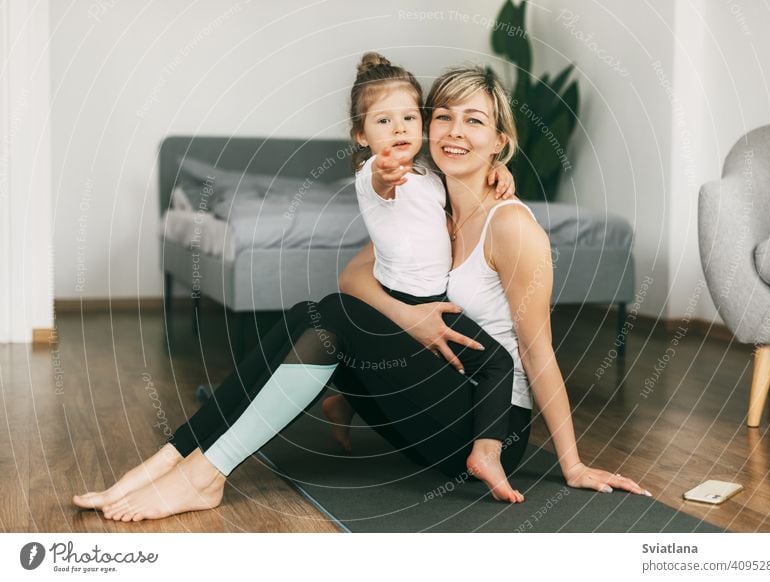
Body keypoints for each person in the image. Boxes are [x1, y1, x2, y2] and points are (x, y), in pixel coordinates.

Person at [73, 62, 650, 523]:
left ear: (500, 140)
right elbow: (352, 276)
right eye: (443, 117)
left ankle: (206, 475)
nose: (455, 132)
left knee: (332, 320)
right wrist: (412, 318)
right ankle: (169, 459)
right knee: (317, 313)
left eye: (475, 122)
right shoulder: (430, 207)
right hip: (431, 395)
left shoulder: (512, 228)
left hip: (487, 426)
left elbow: (538, 351)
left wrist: (571, 464)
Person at [321, 52, 524, 502]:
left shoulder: (429, 175)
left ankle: (344, 400)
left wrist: (497, 166)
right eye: (383, 121)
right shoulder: (376, 175)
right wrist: (382, 171)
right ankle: (487, 454)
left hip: (430, 297)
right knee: (496, 363)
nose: (398, 130)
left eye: (409, 117)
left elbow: (459, 187)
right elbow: (381, 182)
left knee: (417, 368)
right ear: (361, 135)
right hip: (407, 298)